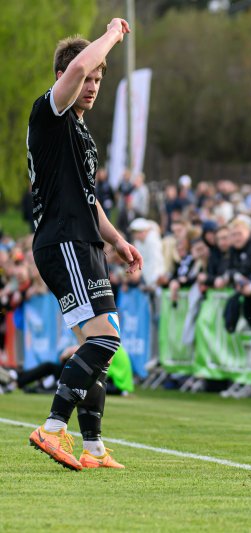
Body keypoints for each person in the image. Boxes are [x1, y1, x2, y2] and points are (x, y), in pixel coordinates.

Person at [25, 18, 142, 471]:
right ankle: (52, 429)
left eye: (98, 79)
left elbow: (90, 201)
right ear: (64, 76)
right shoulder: (49, 113)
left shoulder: (80, 132)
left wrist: (117, 240)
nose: (91, 85)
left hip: (84, 240)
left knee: (95, 347)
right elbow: (75, 72)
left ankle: (93, 447)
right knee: (106, 342)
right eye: (85, 76)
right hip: (65, 241)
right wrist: (112, 34)